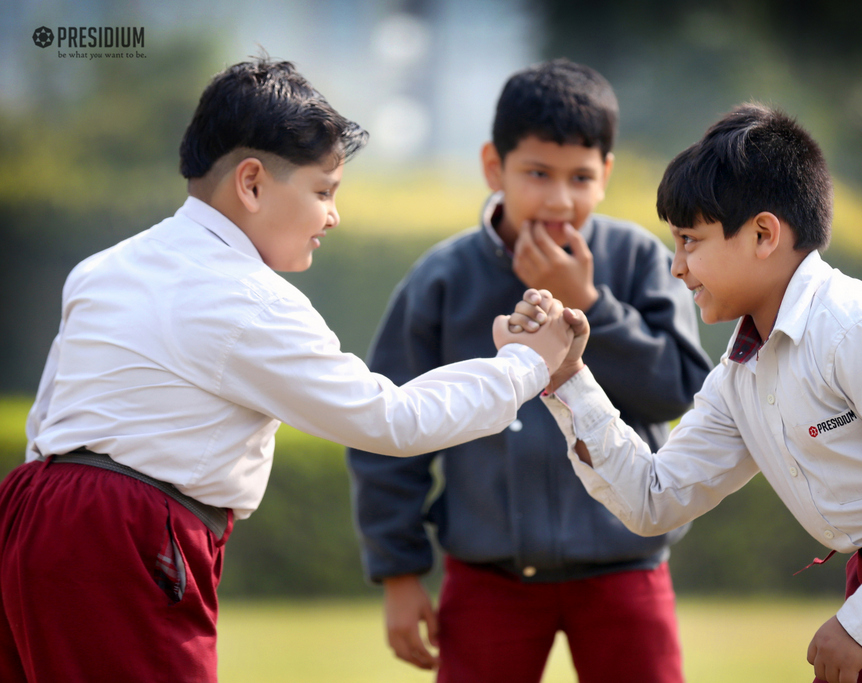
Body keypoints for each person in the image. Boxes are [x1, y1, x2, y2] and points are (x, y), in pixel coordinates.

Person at [0, 57, 581, 683]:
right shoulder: (251, 299)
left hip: (27, 513)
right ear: (251, 184)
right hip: (124, 539)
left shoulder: (105, 266)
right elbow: (390, 419)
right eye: (323, 191)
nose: (333, 217)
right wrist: (526, 363)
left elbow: (48, 418)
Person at [515, 103, 862, 682]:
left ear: (763, 234)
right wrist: (567, 375)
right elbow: (654, 498)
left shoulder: (857, 328)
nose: (677, 267)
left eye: (690, 240)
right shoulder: (740, 373)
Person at [347, 59, 711, 683]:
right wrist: (399, 573)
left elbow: (678, 389)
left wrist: (593, 305)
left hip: (626, 568)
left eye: (580, 177)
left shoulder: (641, 260)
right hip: (489, 579)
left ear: (606, 176)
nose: (559, 198)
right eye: (537, 173)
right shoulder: (442, 280)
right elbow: (388, 434)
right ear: (495, 167)